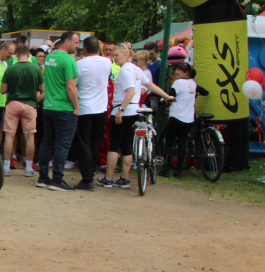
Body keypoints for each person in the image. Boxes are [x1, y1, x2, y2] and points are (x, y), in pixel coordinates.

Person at [100, 49, 173, 188]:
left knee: (115, 146)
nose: (115, 58)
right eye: (114, 55)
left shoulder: (125, 70)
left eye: (117, 55)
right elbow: (150, 85)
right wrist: (166, 96)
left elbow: (131, 90)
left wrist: (121, 110)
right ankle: (124, 178)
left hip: (123, 110)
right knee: (127, 145)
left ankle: (108, 178)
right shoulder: (136, 70)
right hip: (134, 110)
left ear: (127, 55)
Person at [35, 36, 79, 191]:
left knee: (47, 142)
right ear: (68, 42)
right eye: (76, 42)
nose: (77, 45)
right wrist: (77, 106)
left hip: (48, 106)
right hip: (64, 107)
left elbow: (47, 81)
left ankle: (43, 176)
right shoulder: (68, 60)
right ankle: (57, 179)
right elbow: (71, 86)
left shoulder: (50, 58)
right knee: (62, 144)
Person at [69, 36, 112, 190]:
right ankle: (91, 172)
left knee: (84, 143)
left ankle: (87, 178)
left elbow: (74, 84)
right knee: (95, 142)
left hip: (85, 108)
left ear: (85, 48)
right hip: (101, 108)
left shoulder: (80, 64)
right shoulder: (107, 62)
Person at [0, 43, 44, 177]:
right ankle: (29, 167)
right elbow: (42, 88)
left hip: (13, 102)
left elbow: (3, 90)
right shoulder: (36, 68)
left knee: (9, 135)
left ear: (17, 55)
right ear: (29, 55)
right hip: (30, 104)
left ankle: (6, 166)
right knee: (30, 136)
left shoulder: (11, 69)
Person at [161, 63, 205, 179]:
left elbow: (171, 96)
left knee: (169, 143)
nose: (177, 72)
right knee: (182, 144)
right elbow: (205, 91)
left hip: (176, 117)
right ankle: (179, 172)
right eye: (177, 70)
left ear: (186, 72)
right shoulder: (193, 84)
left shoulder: (177, 83)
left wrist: (166, 100)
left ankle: (166, 170)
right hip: (188, 119)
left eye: (180, 70)